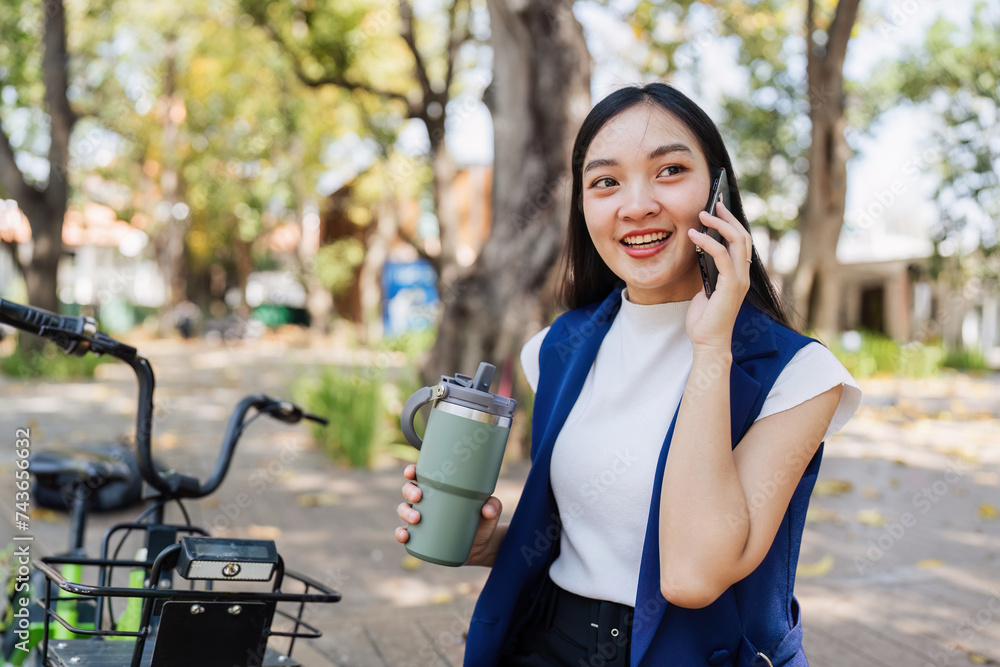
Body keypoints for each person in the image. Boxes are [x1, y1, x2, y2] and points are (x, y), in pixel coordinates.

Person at [396, 83, 861, 667]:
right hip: (545, 644)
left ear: (718, 194)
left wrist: (712, 345)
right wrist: (493, 544)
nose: (635, 204)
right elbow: (587, 531)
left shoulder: (797, 375)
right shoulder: (557, 348)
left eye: (669, 170)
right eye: (605, 182)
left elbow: (692, 576)